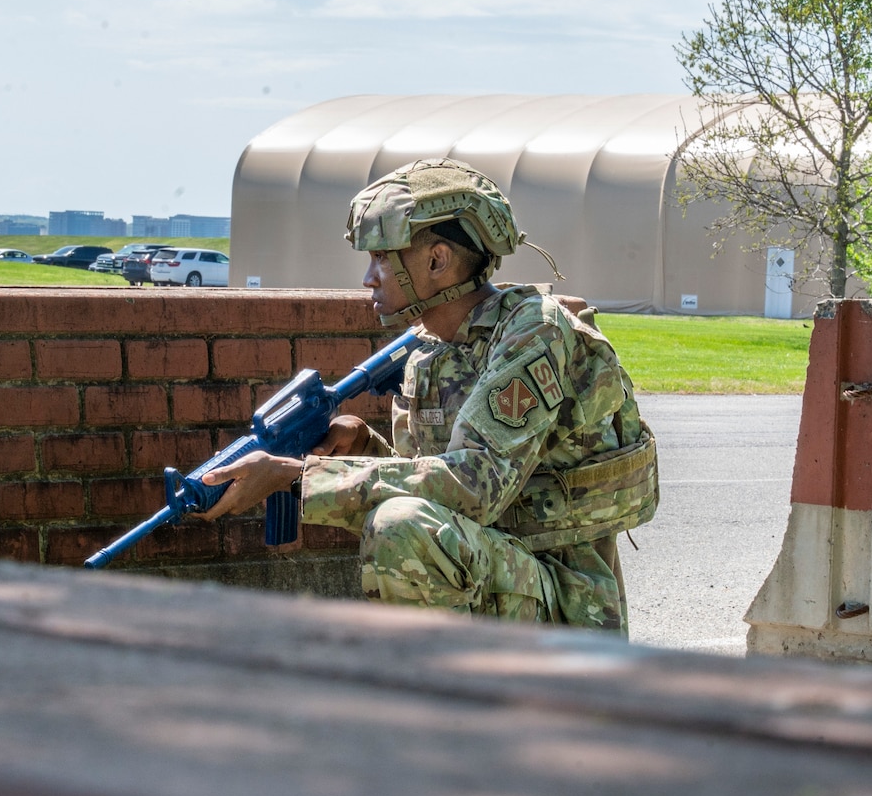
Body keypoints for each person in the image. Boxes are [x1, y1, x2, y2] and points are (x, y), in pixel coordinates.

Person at [202, 158, 656, 632]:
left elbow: (473, 489)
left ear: (437, 261)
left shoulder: (534, 333)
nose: (368, 278)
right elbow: (427, 482)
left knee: (402, 529)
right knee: (404, 519)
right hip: (500, 574)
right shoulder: (431, 350)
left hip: (569, 603)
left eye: (381, 257)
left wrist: (300, 479)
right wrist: (362, 448)